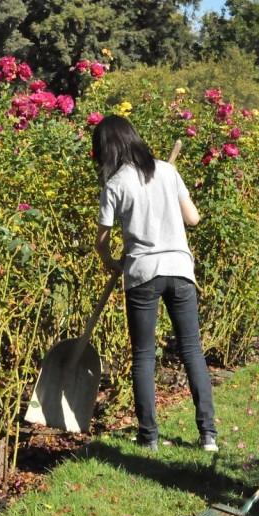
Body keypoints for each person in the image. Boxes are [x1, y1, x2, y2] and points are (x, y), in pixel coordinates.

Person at [92, 115, 217, 453]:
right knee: (192, 350)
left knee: (144, 356)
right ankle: (208, 435)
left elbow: (101, 239)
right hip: (180, 269)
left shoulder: (115, 183)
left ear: (108, 149)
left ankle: (149, 437)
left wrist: (110, 262)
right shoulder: (166, 170)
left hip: (143, 273)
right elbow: (193, 218)